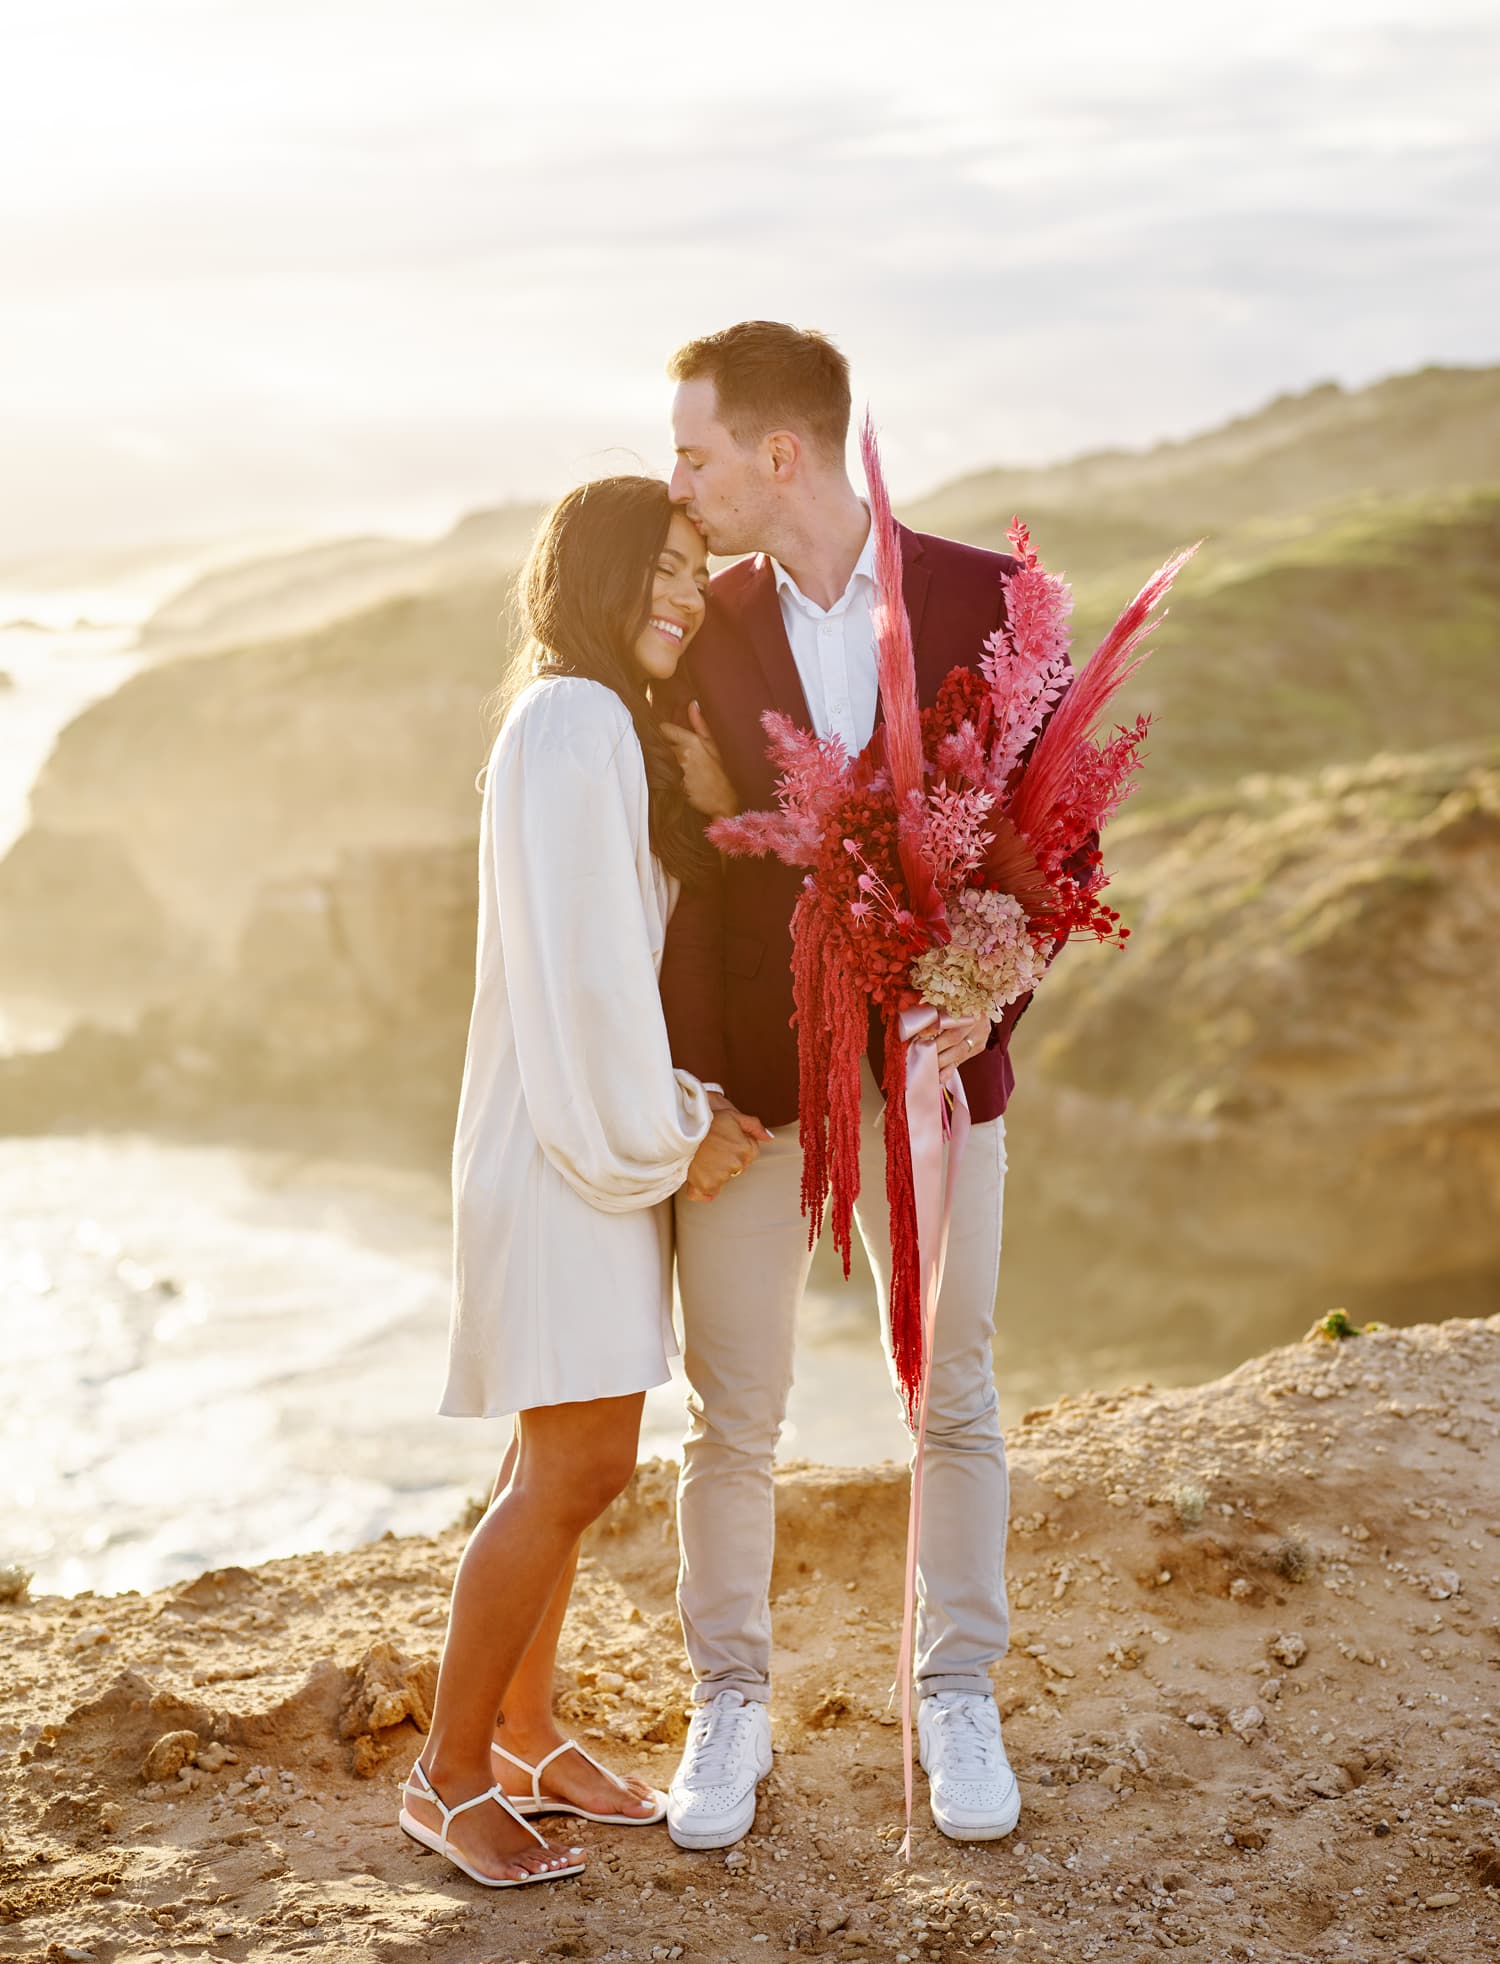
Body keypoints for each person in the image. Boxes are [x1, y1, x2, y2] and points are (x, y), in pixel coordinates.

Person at [657, 321, 1047, 1849]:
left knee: (952, 1395)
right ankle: (728, 1700)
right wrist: (681, 1083)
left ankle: (958, 1689)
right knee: (731, 1412)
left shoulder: (988, 602)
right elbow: (680, 868)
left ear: (778, 454)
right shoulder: (699, 621)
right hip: (756, 1081)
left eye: (693, 453)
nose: (676, 483)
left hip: (933, 1084)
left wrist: (990, 981)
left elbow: (1045, 852)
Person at [400, 476, 771, 1889]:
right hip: (570, 1139)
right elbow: (589, 979)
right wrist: (678, 1127)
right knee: (582, 1462)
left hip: (573, 1130)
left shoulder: (598, 724)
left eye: (698, 573)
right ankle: (445, 1777)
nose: (685, 593)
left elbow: (610, 959)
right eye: (661, 569)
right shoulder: (574, 719)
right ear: (593, 575)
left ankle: (527, 1734)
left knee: (548, 1457)